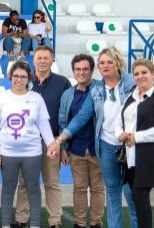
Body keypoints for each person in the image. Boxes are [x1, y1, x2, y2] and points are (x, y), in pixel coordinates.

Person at [47, 47, 139, 228]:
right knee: (111, 192)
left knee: (131, 193)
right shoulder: (96, 90)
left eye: (109, 62)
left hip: (128, 145)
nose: (105, 65)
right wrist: (60, 141)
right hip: (103, 146)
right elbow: (80, 117)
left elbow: (149, 89)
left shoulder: (128, 81)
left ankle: (123, 223)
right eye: (102, 62)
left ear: (117, 63)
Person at [0, 61, 54, 228]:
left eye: (23, 76)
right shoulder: (1, 98)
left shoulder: (36, 98)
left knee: (33, 188)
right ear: (10, 77)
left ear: (28, 78)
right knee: (8, 189)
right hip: (7, 152)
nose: (19, 79)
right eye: (16, 76)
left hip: (32, 152)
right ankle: (5, 224)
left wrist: (52, 144)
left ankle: (34, 224)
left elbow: (44, 125)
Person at [13, 46, 71, 228]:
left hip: (52, 141)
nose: (43, 61)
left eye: (47, 58)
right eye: (39, 58)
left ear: (53, 60)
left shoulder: (63, 83)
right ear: (34, 61)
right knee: (25, 182)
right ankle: (21, 219)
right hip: (27, 141)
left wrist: (63, 147)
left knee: (52, 182)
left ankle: (55, 221)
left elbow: (66, 116)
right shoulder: (23, 81)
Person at [114, 58, 154, 228]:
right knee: (137, 199)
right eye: (136, 73)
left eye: (144, 72)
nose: (140, 76)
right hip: (130, 159)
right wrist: (121, 134)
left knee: (140, 197)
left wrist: (137, 137)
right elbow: (118, 123)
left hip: (148, 158)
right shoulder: (130, 97)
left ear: (153, 74)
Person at [58, 54, 104, 228]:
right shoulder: (67, 95)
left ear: (92, 70)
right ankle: (79, 223)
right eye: (78, 69)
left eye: (85, 69)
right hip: (76, 149)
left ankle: (96, 223)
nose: (82, 72)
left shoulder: (101, 89)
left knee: (98, 188)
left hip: (98, 148)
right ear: (73, 71)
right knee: (79, 188)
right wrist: (64, 147)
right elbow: (63, 121)